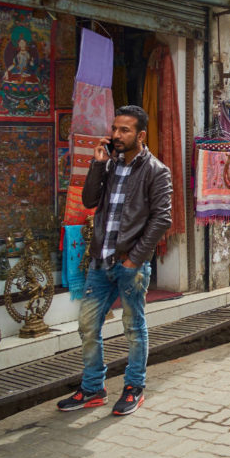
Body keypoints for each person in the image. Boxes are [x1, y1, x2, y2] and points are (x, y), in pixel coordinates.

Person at [57, 106, 172, 416]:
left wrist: (135, 260)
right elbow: (89, 201)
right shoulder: (109, 166)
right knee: (87, 326)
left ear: (141, 135)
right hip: (99, 262)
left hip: (128, 265)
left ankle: (135, 387)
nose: (116, 135)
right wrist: (97, 165)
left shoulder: (156, 171)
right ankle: (93, 388)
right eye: (115, 129)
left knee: (134, 327)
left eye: (125, 130)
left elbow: (162, 219)